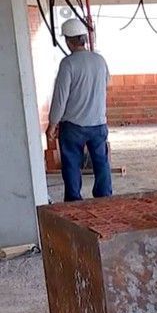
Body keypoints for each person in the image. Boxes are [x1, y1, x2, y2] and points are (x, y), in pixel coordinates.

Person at [46, 17, 112, 202]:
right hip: (98, 123)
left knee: (72, 165)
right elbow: (106, 83)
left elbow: (60, 98)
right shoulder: (100, 60)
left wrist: (52, 125)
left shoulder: (68, 64)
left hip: (74, 127)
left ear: (68, 41)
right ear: (83, 38)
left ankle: (74, 201)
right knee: (101, 163)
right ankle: (104, 199)